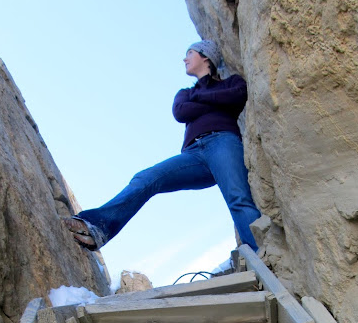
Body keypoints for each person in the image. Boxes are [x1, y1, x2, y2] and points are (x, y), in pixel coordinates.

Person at [64, 40, 261, 253]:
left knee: (238, 198)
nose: (184, 59)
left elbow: (237, 95)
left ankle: (263, 255)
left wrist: (200, 98)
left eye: (190, 53)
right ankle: (97, 227)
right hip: (193, 155)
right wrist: (214, 101)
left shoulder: (230, 83)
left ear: (205, 56)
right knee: (146, 178)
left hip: (223, 142)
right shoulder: (185, 93)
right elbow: (181, 112)